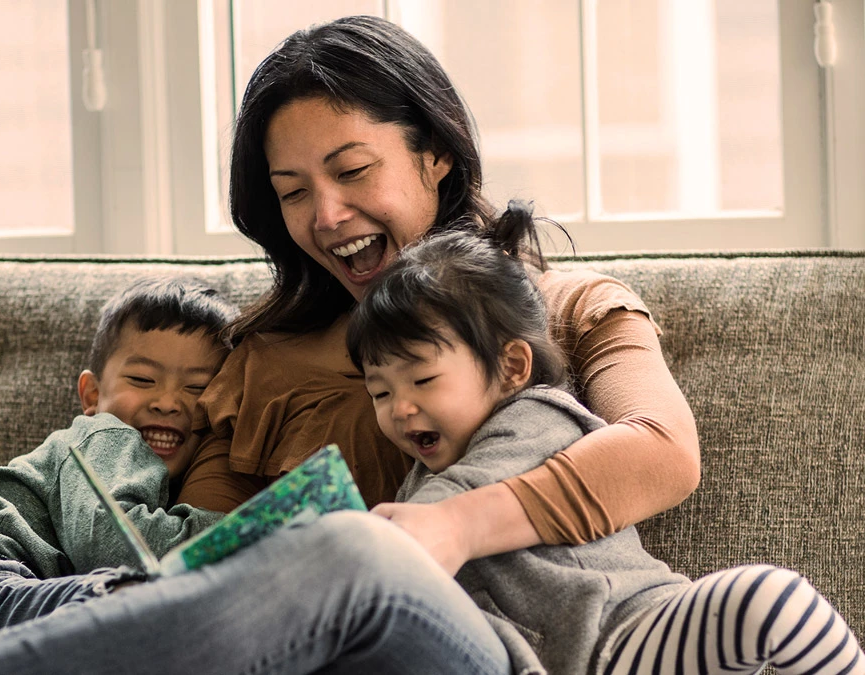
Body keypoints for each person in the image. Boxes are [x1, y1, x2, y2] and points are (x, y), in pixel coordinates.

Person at [0, 14, 707, 675]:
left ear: (437, 154)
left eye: (353, 169)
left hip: (469, 644)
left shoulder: (568, 305)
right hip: (288, 647)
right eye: (290, 194)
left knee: (355, 557)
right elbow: (194, 566)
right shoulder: (255, 356)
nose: (327, 215)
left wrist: (450, 528)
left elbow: (665, 452)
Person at [346, 227, 864, 675]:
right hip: (547, 663)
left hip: (629, 636)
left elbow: (458, 496)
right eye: (381, 392)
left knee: (769, 601)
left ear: (511, 368)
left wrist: (359, 540)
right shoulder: (416, 482)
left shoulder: (535, 419)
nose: (401, 409)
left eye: (423, 379)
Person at [0, 276, 236, 646]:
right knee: (130, 603)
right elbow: (110, 544)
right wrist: (241, 528)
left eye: (196, 387)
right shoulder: (104, 435)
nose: (167, 401)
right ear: (93, 396)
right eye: (143, 379)